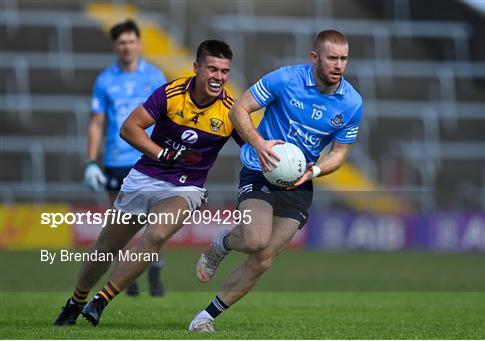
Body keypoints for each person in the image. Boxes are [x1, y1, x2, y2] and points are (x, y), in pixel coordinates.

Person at [54, 39, 240, 327]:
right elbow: (130, 128)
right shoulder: (171, 93)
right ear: (196, 68)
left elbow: (252, 146)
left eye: (224, 71)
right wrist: (161, 153)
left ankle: (101, 301)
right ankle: (76, 301)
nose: (218, 77)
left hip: (185, 188)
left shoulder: (231, 110)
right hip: (144, 177)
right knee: (106, 247)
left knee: (156, 235)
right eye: (212, 69)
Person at [189, 30, 363, 332]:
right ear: (314, 58)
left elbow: (339, 153)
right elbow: (238, 110)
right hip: (260, 169)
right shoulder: (285, 79)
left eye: (344, 58)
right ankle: (223, 243)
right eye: (332, 58)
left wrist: (316, 171)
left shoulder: (351, 103)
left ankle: (204, 318)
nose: (339, 65)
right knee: (255, 239)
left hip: (300, 181)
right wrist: (259, 143)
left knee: (264, 258)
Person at [84, 19, 167, 297]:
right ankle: (126, 279)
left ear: (139, 44)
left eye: (131, 41)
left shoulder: (155, 76)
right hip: (116, 162)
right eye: (122, 43)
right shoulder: (104, 81)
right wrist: (91, 162)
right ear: (115, 46)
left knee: (154, 225)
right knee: (117, 226)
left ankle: (154, 269)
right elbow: (96, 122)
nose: (127, 47)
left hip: (148, 160)